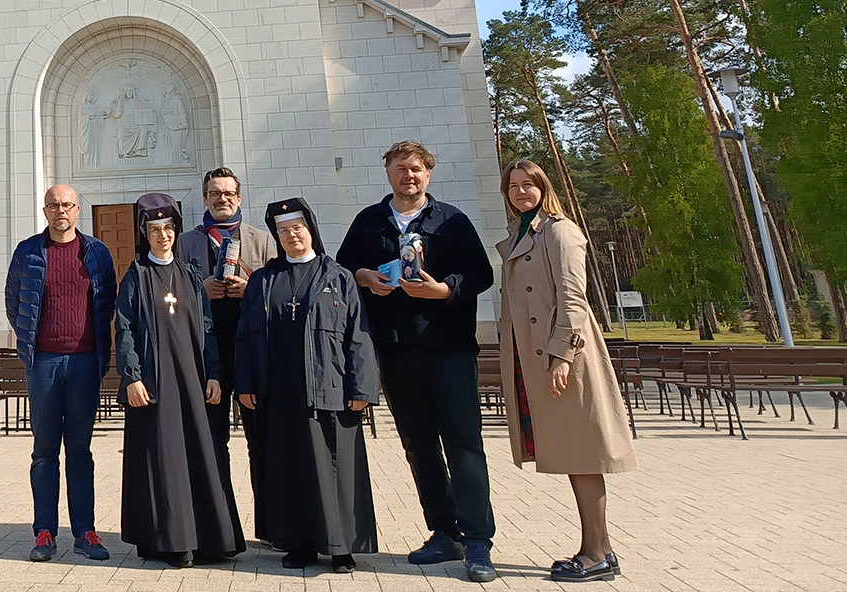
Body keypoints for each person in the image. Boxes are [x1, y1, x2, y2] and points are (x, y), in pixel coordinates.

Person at [335, 141, 498, 583]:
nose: (409, 175)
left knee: (463, 444)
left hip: (449, 349)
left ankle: (479, 540)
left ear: (428, 175)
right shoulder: (369, 221)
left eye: (417, 169)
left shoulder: (452, 221)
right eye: (401, 168)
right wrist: (365, 277)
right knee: (419, 446)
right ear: (387, 172)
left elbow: (481, 273)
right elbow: (343, 267)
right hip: (396, 349)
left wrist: (445, 290)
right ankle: (445, 531)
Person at [497, 160, 635, 583]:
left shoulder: (560, 231)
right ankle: (600, 550)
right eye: (513, 186)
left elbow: (574, 298)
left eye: (528, 185)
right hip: (533, 355)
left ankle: (596, 553)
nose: (521, 192)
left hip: (563, 358)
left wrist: (562, 355)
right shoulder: (517, 235)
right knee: (575, 454)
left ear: (543, 187)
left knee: (583, 453)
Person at [236, 196, 379, 573]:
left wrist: (361, 388)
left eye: (297, 228)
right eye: (283, 231)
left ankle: (341, 547)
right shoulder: (264, 281)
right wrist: (246, 384)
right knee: (289, 470)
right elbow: (245, 337)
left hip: (330, 391)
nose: (291, 235)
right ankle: (297, 543)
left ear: (311, 229)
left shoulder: (338, 276)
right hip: (279, 395)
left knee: (336, 470)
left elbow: (358, 336)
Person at [115, 192, 245, 569]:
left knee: (200, 455)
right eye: (154, 230)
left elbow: (207, 328)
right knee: (165, 458)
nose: (162, 236)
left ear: (176, 231)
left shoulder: (190, 275)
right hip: (154, 386)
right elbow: (124, 330)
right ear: (145, 234)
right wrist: (133, 378)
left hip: (193, 382)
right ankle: (171, 542)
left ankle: (210, 540)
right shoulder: (136, 277)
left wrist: (215, 375)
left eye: (168, 228)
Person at [5, 184, 118, 563]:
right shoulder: (28, 252)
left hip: (85, 363)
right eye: (53, 205)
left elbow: (108, 302)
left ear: (77, 210)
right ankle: (44, 533)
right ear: (45, 210)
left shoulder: (97, 253)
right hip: (45, 364)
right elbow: (14, 300)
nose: (61, 211)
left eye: (67, 204)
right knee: (44, 452)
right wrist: (32, 345)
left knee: (81, 452)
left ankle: (85, 530)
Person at [177, 167, 277, 475]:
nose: (223, 199)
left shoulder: (262, 241)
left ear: (239, 198)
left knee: (261, 440)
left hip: (252, 351)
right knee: (210, 440)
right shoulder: (185, 242)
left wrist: (251, 291)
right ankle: (217, 519)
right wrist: (199, 292)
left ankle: (268, 516)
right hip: (207, 353)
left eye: (229, 193)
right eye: (216, 193)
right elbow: (171, 297)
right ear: (206, 199)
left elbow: (280, 294)